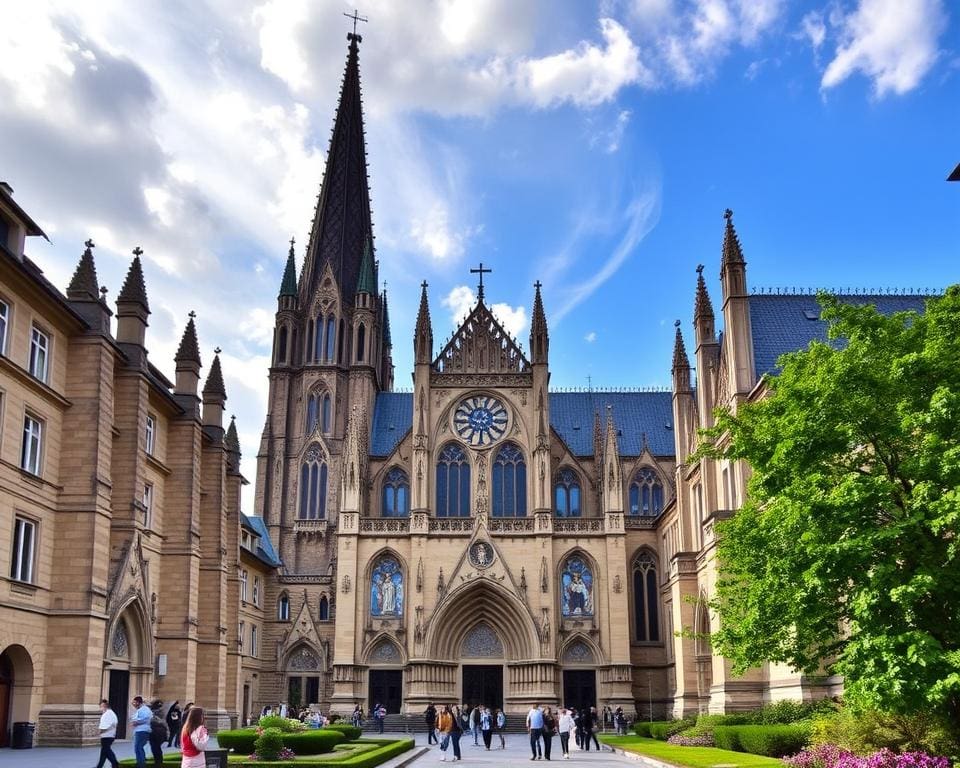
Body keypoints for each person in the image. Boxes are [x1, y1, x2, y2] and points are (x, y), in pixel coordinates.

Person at [95, 699, 119, 768]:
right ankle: (100, 766)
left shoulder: (108, 714)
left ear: (105, 706)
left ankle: (115, 763)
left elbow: (106, 726)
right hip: (108, 735)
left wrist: (100, 731)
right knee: (104, 752)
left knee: (107, 751)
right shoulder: (109, 713)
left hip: (107, 736)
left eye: (101, 706)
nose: (100, 708)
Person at [131, 695, 152, 768]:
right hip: (142, 730)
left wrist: (136, 722)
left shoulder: (144, 709)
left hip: (142, 731)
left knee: (138, 747)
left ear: (138, 702)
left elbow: (145, 719)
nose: (133, 704)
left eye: (134, 702)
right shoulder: (143, 709)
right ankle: (141, 763)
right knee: (139, 747)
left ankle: (141, 764)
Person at [149, 699, 168, 767]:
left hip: (155, 731)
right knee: (157, 748)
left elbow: (154, 721)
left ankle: (158, 763)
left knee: (155, 748)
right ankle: (158, 762)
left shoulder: (153, 713)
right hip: (160, 731)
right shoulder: (162, 712)